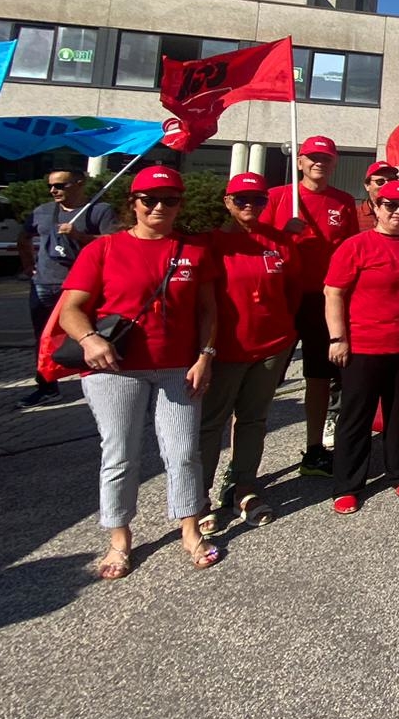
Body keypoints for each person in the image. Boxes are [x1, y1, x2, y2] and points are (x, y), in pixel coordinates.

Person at [57, 166, 220, 578]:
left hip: (177, 367)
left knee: (184, 452)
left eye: (170, 200)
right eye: (149, 199)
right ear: (133, 203)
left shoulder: (193, 250)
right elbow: (71, 309)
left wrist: (206, 355)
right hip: (116, 368)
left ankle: (189, 528)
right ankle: (119, 537)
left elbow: (207, 310)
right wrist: (91, 339)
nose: (159, 207)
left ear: (180, 205)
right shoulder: (104, 249)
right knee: (121, 454)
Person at [197, 173, 297, 533]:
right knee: (210, 424)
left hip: (271, 346)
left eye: (257, 200)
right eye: (241, 199)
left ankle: (243, 487)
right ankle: (200, 497)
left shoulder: (279, 242)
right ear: (227, 201)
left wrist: (287, 335)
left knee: (254, 420)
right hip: (225, 349)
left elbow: (292, 290)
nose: (250, 206)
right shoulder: (210, 243)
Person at [324, 180, 399, 514]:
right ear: (377, 207)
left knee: (398, 413)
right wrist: (338, 337)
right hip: (365, 347)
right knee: (357, 416)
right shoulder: (356, 246)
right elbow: (333, 293)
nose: (398, 212)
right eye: (390, 206)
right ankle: (348, 484)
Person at [263, 136, 357, 478]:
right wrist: (280, 233)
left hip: (323, 300)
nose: (319, 162)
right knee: (262, 384)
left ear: (334, 164)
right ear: (300, 161)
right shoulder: (276, 198)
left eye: (326, 158)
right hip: (282, 299)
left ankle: (314, 449)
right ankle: (241, 467)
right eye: (312, 157)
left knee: (318, 378)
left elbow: (349, 254)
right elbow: (252, 245)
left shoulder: (343, 202)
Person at [18, 168, 118, 408]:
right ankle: (46, 386)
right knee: (44, 338)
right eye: (51, 186)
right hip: (45, 283)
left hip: (84, 286)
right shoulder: (42, 212)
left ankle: (99, 380)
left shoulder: (99, 211)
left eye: (61, 185)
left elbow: (113, 244)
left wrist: (80, 236)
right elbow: (23, 238)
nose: (54, 190)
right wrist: (29, 266)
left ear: (79, 184)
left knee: (92, 333)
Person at [354, 161, 399, 232]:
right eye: (380, 182)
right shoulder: (354, 215)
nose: (387, 185)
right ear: (367, 186)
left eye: (392, 181)